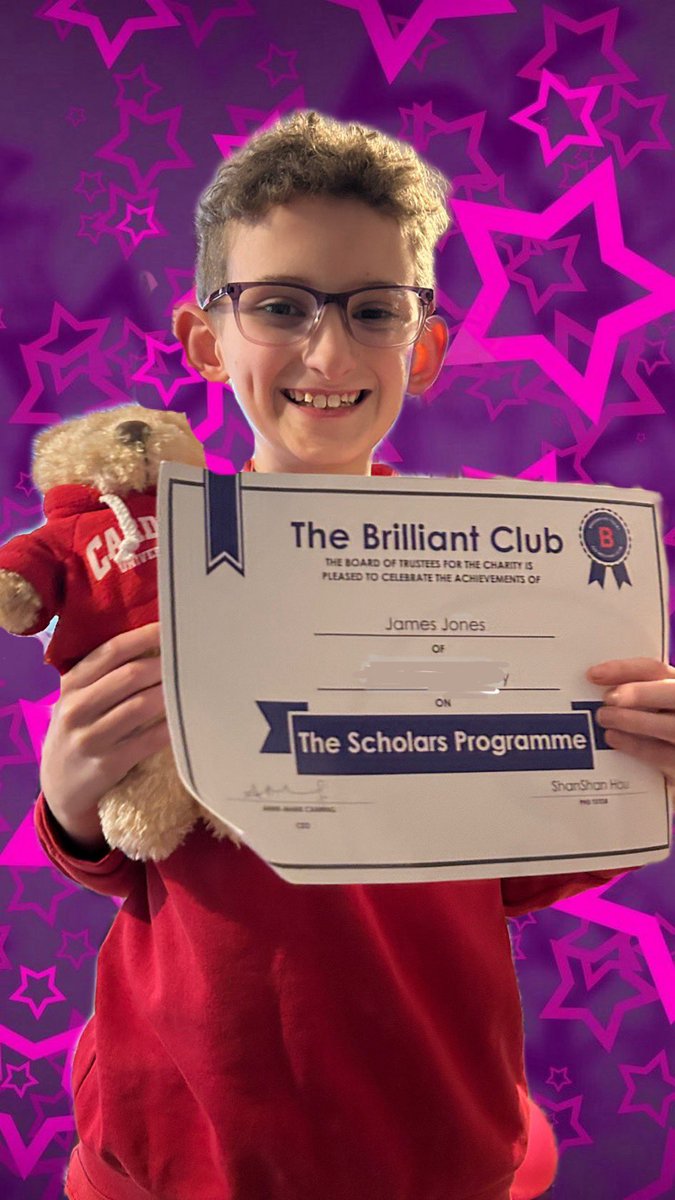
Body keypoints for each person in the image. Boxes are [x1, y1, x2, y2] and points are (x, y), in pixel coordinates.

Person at [35, 111, 674, 1200]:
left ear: (423, 347)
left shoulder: (510, 584)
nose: (327, 353)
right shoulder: (145, 551)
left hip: (433, 1120)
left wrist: (637, 766)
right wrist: (69, 802)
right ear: (206, 338)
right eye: (281, 306)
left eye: (373, 312)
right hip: (181, 1132)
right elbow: (121, 851)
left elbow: (510, 867)